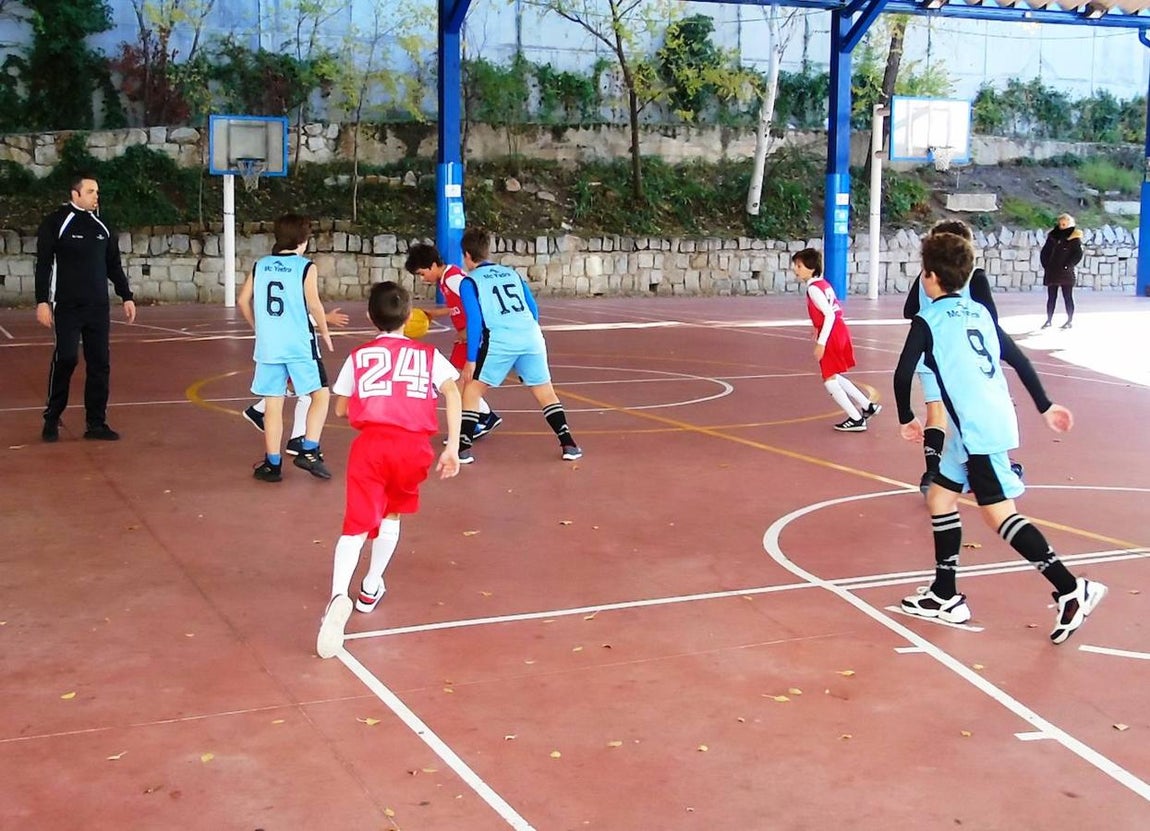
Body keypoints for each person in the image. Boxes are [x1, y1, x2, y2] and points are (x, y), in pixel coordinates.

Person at [893, 231, 1105, 644]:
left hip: (977, 432)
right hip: (981, 423)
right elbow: (1018, 359)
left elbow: (903, 373)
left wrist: (906, 417)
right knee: (939, 498)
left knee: (999, 515)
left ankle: (1070, 588)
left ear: (929, 277)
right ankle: (944, 594)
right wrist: (1045, 405)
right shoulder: (981, 314)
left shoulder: (928, 319)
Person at [316, 281, 462, 659]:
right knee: (393, 513)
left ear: (369, 316)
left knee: (355, 525)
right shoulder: (428, 356)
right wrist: (450, 446)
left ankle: (337, 595)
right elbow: (453, 390)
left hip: (371, 446)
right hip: (413, 448)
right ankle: (371, 584)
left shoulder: (360, 356)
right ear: (410, 315)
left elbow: (341, 409)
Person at [903, 220, 1025, 495]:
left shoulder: (925, 277)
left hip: (929, 353)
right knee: (981, 409)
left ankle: (932, 472)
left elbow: (909, 310)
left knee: (936, 412)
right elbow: (990, 321)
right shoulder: (974, 277)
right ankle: (993, 465)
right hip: (962, 358)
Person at [455, 226, 582, 463]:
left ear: (467, 255)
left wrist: (471, 359)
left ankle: (463, 447)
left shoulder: (469, 282)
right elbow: (533, 309)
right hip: (531, 336)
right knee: (546, 392)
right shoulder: (511, 273)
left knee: (472, 389)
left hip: (500, 339)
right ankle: (568, 444)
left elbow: (474, 322)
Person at [34, 173, 137, 442]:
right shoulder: (57, 222)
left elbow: (113, 265)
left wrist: (126, 296)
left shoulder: (102, 227)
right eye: (91, 192)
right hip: (67, 306)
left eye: (97, 192)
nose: (96, 196)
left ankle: (96, 423)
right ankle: (52, 417)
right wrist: (42, 301)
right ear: (75, 194)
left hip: (97, 308)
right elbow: (44, 264)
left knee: (100, 364)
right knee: (67, 358)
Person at [238, 213, 333, 482]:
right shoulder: (305, 267)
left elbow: (243, 301)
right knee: (321, 395)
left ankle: (273, 464)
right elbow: (314, 305)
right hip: (299, 344)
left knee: (273, 404)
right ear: (303, 240)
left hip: (269, 346)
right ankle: (309, 450)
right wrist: (325, 331)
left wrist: (258, 328)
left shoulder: (261, 265)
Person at [403, 242, 502, 440]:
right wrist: (434, 313)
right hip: (467, 338)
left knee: (457, 384)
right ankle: (484, 417)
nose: (423, 279)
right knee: (461, 382)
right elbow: (455, 307)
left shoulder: (453, 279)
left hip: (473, 337)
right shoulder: (446, 279)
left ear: (432, 265)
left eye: (422, 273)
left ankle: (468, 427)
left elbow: (478, 301)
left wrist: (469, 329)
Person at [790, 248, 881, 432]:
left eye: (799, 266)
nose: (795, 269)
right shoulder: (823, 284)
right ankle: (866, 405)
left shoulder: (814, 289)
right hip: (839, 331)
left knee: (829, 379)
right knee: (835, 374)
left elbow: (829, 315)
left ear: (810, 267)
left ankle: (856, 419)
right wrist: (817, 327)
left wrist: (822, 342)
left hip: (832, 333)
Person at [242, 306, 349, 455]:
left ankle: (257, 411)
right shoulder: (295, 287)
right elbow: (296, 320)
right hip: (295, 349)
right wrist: (324, 319)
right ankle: (296, 439)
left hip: (279, 346)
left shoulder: (265, 287)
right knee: (310, 391)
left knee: (290, 387)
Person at [1040, 213, 1083, 330]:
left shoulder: (1074, 237)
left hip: (1066, 273)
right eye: (1060, 224)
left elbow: (1078, 254)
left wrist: (1068, 265)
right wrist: (1046, 265)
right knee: (1051, 297)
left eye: (1064, 224)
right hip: (1052, 271)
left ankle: (1069, 320)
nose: (1062, 226)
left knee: (1067, 296)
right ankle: (1049, 320)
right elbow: (1045, 252)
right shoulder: (1053, 236)